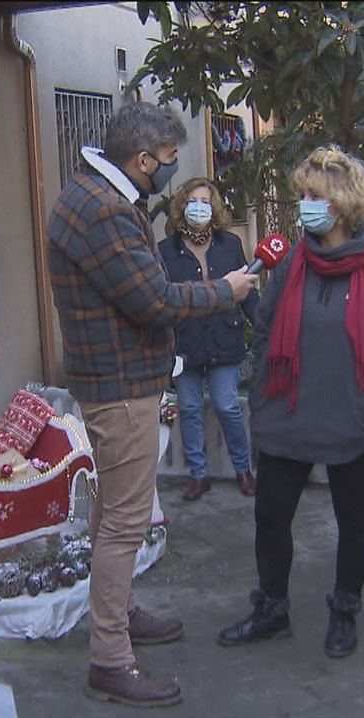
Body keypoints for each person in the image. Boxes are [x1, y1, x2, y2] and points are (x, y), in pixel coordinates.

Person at [47, 102, 259, 708]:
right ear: (143, 160)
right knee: (125, 521)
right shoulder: (105, 211)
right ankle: (110, 659)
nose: (171, 174)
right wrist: (227, 290)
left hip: (112, 378)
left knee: (113, 510)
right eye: (168, 162)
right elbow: (155, 301)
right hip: (121, 387)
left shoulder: (88, 194)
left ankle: (121, 612)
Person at [217, 146, 364, 660]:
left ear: (343, 204)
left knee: (355, 521)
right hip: (289, 412)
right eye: (301, 195)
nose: (304, 205)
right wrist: (261, 391)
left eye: (315, 197)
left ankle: (344, 611)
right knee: (271, 517)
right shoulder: (290, 264)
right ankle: (271, 610)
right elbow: (266, 329)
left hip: (354, 418)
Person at [159, 178, 258, 501]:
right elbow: (162, 300)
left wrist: (263, 327)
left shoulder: (229, 244)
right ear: (181, 207)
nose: (199, 206)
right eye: (192, 200)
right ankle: (198, 476)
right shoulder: (166, 251)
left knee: (227, 405)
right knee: (188, 408)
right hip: (185, 344)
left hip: (223, 338)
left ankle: (244, 470)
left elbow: (246, 292)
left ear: (213, 207)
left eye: (205, 200)